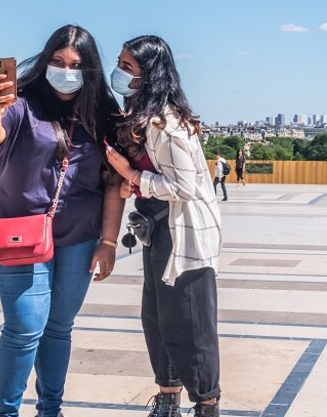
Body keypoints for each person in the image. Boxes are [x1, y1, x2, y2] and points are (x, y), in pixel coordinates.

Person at [0, 24, 125, 417]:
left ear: (88, 70)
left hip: (78, 237)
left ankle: (51, 410)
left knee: (58, 328)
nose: (65, 70)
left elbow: (112, 181)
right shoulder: (22, 102)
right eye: (57, 61)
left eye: (75, 64)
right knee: (25, 329)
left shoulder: (103, 113)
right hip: (19, 235)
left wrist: (108, 242)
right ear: (45, 62)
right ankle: (7, 412)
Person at [105, 35, 224, 417]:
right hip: (158, 230)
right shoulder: (148, 117)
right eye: (120, 63)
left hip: (183, 235)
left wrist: (132, 177)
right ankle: (168, 399)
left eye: (128, 67)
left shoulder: (166, 123)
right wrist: (134, 181)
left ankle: (207, 405)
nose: (120, 72)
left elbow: (186, 187)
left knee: (190, 326)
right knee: (158, 318)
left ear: (149, 74)